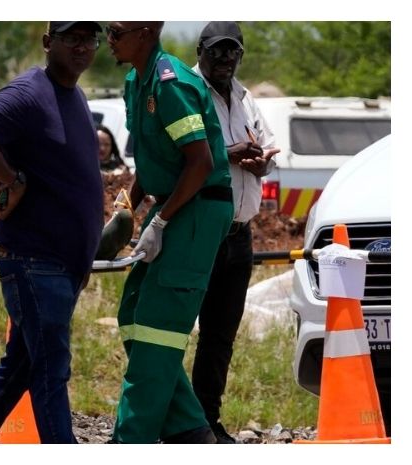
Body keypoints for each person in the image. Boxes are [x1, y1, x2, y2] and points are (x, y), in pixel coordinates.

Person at [0, 21, 104, 444]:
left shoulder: (73, 96)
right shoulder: (30, 92)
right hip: (36, 261)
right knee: (51, 369)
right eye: (71, 37)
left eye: (90, 38)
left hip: (60, 263)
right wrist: (11, 178)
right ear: (47, 43)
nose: (82, 46)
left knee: (20, 366)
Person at [105, 21, 234, 444]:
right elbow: (154, 158)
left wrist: (159, 222)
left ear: (144, 32)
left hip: (195, 210)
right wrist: (129, 207)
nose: (108, 37)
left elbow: (198, 163)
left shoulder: (170, 84)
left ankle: (130, 441)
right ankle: (190, 432)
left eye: (116, 30)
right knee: (133, 315)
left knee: (159, 331)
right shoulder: (134, 81)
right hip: (172, 204)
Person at [190, 21, 280, 444]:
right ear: (201, 50)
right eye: (218, 51)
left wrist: (263, 161)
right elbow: (184, 157)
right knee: (170, 333)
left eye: (233, 52)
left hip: (239, 235)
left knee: (219, 337)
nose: (226, 59)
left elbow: (267, 145)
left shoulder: (245, 98)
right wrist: (229, 155)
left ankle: (206, 423)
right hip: (199, 232)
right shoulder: (187, 91)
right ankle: (174, 422)